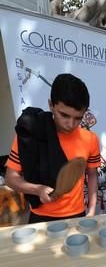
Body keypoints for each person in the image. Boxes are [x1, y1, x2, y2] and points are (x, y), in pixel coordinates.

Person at [5, 73, 100, 223]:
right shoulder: (30, 134)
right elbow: (11, 178)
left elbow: (92, 174)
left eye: (78, 118)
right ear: (51, 105)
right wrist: (37, 189)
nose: (71, 123)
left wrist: (92, 209)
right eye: (64, 115)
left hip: (77, 215)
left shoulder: (90, 139)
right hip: (40, 217)